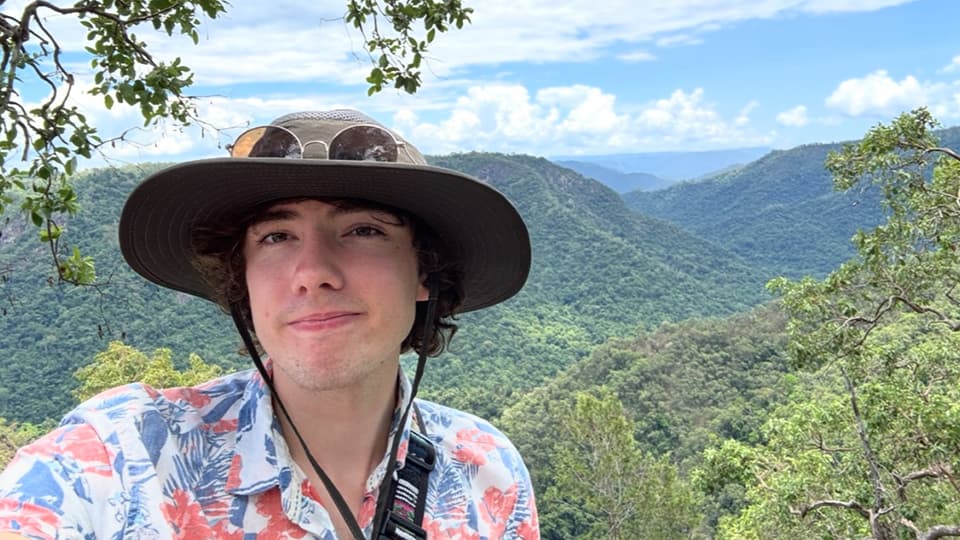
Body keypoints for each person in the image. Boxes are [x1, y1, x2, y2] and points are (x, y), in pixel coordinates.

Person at [0, 109, 539, 539]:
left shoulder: (485, 469)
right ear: (244, 281)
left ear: (425, 272)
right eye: (275, 237)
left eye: (364, 231)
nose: (313, 273)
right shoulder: (122, 454)